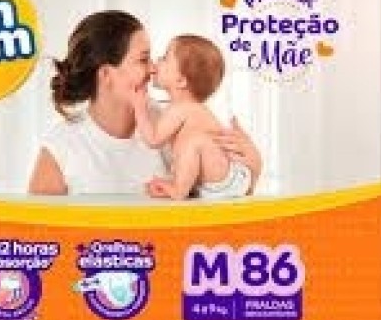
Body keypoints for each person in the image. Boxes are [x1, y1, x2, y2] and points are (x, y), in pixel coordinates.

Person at [28, 10, 261, 196]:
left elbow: (220, 198)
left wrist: (253, 170)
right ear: (106, 74)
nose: (152, 68)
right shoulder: (62, 147)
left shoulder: (173, 125)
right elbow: (37, 231)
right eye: (143, 59)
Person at [132, 34, 251, 200]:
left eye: (165, 58)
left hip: (225, 178)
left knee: (195, 142)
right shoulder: (186, 108)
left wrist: (139, 107)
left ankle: (179, 189)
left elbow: (153, 139)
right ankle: (183, 185)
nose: (157, 61)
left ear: (181, 81)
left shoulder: (182, 108)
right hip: (221, 179)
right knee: (188, 148)